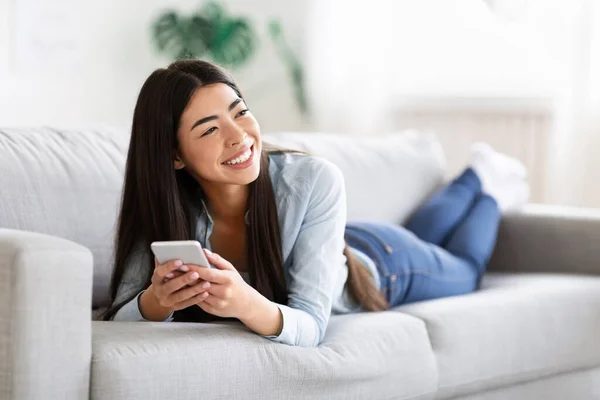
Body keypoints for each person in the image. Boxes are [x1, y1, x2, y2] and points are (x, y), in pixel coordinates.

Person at [103, 59, 530, 347]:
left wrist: (244, 302)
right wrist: (157, 301)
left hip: (383, 266)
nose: (238, 136)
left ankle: (486, 185)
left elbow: (312, 326)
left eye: (240, 112)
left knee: (467, 269)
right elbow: (120, 315)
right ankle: (474, 178)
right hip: (338, 245)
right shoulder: (167, 206)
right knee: (427, 234)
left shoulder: (313, 179)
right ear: (174, 155)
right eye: (209, 129)